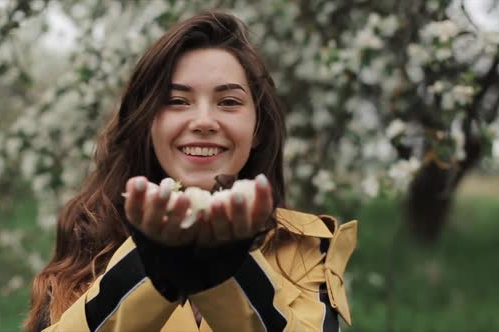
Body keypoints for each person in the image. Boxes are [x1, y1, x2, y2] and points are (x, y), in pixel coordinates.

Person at [24, 11, 357, 332]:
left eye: (228, 102)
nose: (203, 122)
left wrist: (229, 266)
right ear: (148, 121)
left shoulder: (302, 246)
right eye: (177, 101)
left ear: (257, 128)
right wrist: (150, 262)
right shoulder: (90, 243)